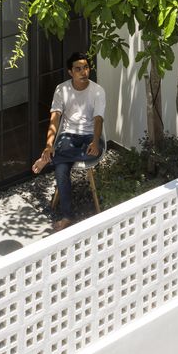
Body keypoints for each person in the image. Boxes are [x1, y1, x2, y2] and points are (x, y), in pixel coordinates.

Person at [32, 51, 106, 231]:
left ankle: (49, 159)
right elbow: (55, 118)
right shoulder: (62, 89)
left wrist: (95, 142)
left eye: (86, 68)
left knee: (74, 157)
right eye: (78, 69)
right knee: (61, 168)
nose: (83, 72)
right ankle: (67, 216)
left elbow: (98, 120)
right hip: (68, 136)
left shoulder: (97, 91)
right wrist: (49, 145)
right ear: (70, 72)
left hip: (90, 137)